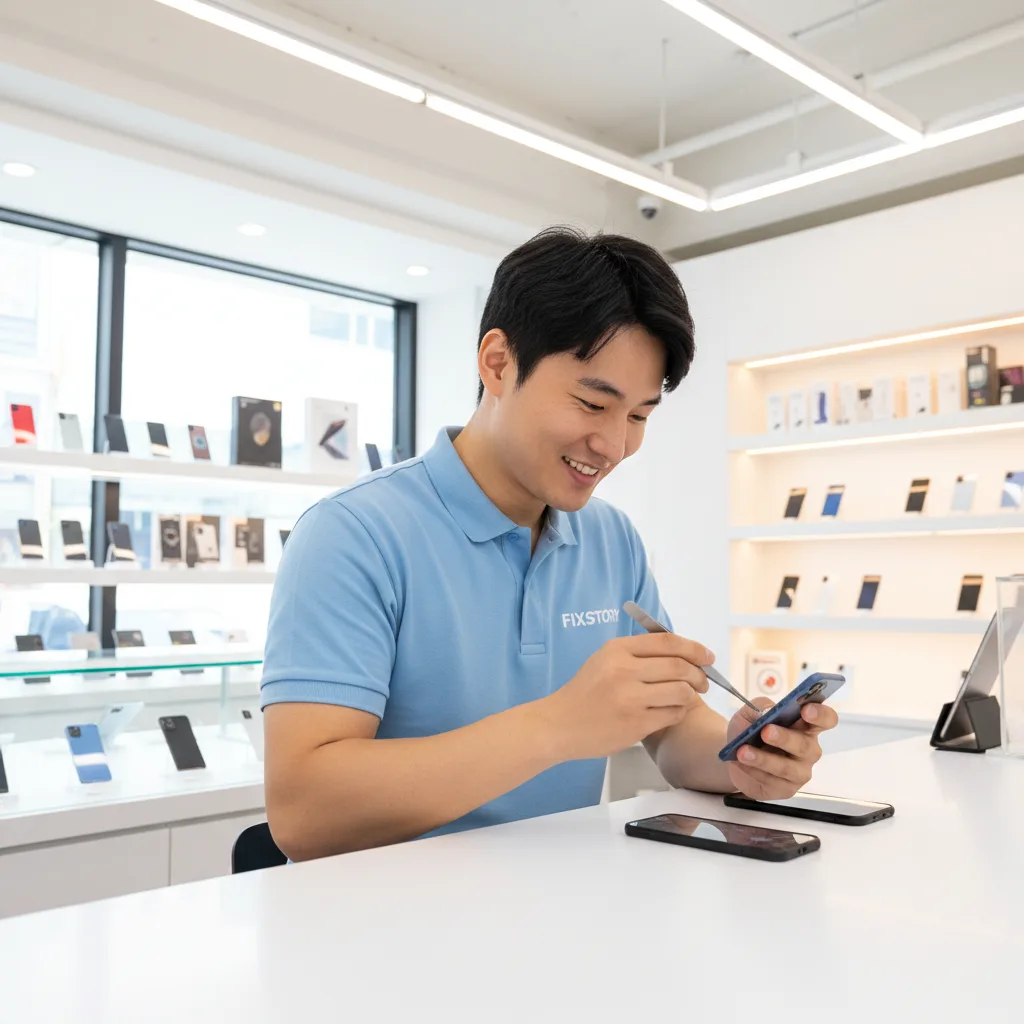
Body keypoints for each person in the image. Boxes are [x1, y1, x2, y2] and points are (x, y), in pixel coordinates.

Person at [260, 227, 838, 861]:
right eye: (593, 403)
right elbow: (304, 811)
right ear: (498, 362)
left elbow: (672, 732)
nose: (615, 445)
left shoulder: (610, 538)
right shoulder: (352, 535)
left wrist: (743, 755)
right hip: (390, 929)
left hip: (564, 910)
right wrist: (559, 725)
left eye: (640, 416)